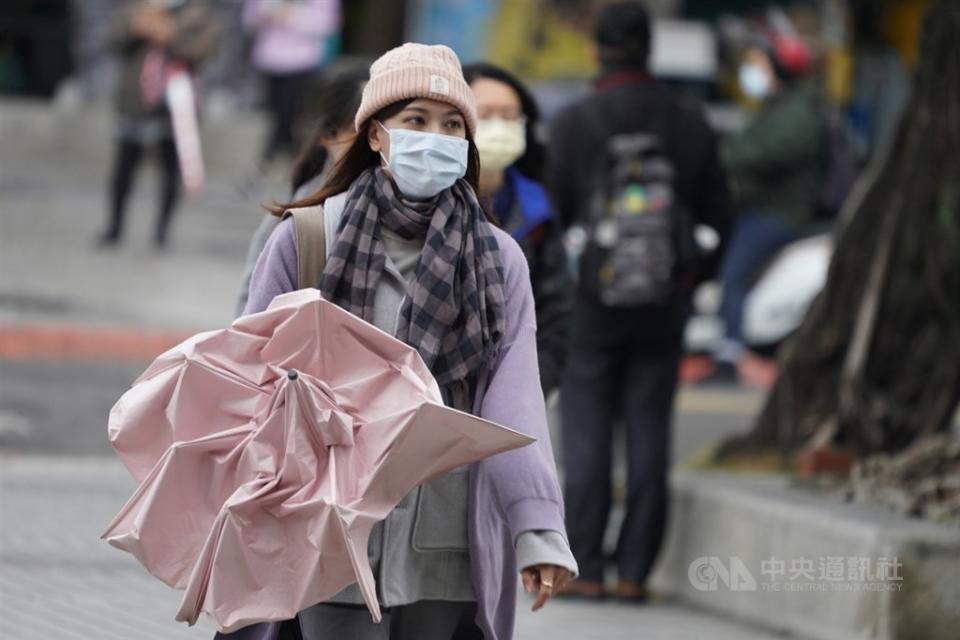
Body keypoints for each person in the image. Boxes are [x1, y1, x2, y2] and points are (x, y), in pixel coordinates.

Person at [231, 43, 577, 640]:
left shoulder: (499, 258)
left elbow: (513, 400)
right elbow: (247, 378)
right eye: (415, 120)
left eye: (451, 126)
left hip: (444, 532)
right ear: (374, 134)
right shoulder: (307, 237)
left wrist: (538, 529)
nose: (433, 138)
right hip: (330, 522)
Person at [549, 3, 734, 600]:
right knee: (650, 426)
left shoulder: (575, 122)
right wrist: (687, 279)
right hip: (664, 302)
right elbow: (720, 214)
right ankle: (634, 571)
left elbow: (552, 219)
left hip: (590, 303)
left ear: (597, 49)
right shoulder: (687, 119)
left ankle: (587, 567)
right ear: (650, 48)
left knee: (588, 427)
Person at [712, 36, 821, 382]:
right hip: (761, 208)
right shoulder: (778, 107)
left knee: (734, 272)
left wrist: (728, 156)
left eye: (759, 65)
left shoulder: (797, 113)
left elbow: (761, 153)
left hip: (778, 213)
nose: (753, 73)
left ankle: (730, 350)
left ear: (780, 69)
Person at [462, 62, 571, 396]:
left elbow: (557, 308)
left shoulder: (539, 207)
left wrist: (536, 383)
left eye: (510, 116)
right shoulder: (428, 200)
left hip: (516, 388)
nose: (499, 126)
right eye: (487, 114)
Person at [235, 66, 368, 316]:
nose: (368, 144)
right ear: (329, 135)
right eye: (355, 131)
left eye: (376, 130)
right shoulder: (297, 218)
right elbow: (251, 313)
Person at [98, 0, 218, 248]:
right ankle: (114, 226)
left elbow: (204, 50)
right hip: (135, 101)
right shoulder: (136, 7)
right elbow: (111, 42)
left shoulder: (197, 12)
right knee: (124, 167)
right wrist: (136, 29)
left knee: (169, 170)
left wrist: (169, 35)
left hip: (175, 105)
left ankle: (162, 231)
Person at [243, 0, 340, 170]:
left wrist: (293, 16)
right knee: (279, 115)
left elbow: (328, 24)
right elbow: (249, 18)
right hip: (269, 61)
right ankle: (297, 161)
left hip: (302, 61)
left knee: (289, 113)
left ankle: (268, 159)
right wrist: (267, 14)